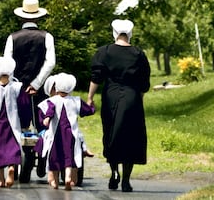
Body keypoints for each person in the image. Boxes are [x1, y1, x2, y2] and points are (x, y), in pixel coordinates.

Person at [87, 19, 151, 192]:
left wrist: (90, 97)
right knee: (131, 136)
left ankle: (114, 171)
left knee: (111, 132)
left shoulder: (104, 52)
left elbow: (96, 77)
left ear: (114, 33)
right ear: (130, 34)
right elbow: (144, 82)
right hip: (132, 97)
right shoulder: (138, 54)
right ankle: (126, 180)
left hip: (111, 96)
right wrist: (139, 98)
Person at [4, 0, 56, 182]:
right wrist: (37, 83)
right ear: (38, 18)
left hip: (18, 87)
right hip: (39, 88)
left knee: (19, 123)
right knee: (42, 121)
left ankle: (24, 156)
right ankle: (42, 155)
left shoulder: (13, 38)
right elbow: (51, 63)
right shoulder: (47, 36)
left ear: (21, 18)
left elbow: (7, 64)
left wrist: (14, 84)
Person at [34, 74, 94, 187]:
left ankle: (54, 181)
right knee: (69, 155)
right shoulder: (76, 101)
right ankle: (68, 177)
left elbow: (49, 111)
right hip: (70, 134)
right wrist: (91, 106)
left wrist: (46, 118)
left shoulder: (51, 101)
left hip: (54, 135)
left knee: (54, 156)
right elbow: (87, 111)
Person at [0, 56, 30, 188]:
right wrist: (25, 123)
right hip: (13, 125)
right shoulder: (18, 87)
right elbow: (24, 106)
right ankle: (11, 168)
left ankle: (2, 180)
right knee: (13, 148)